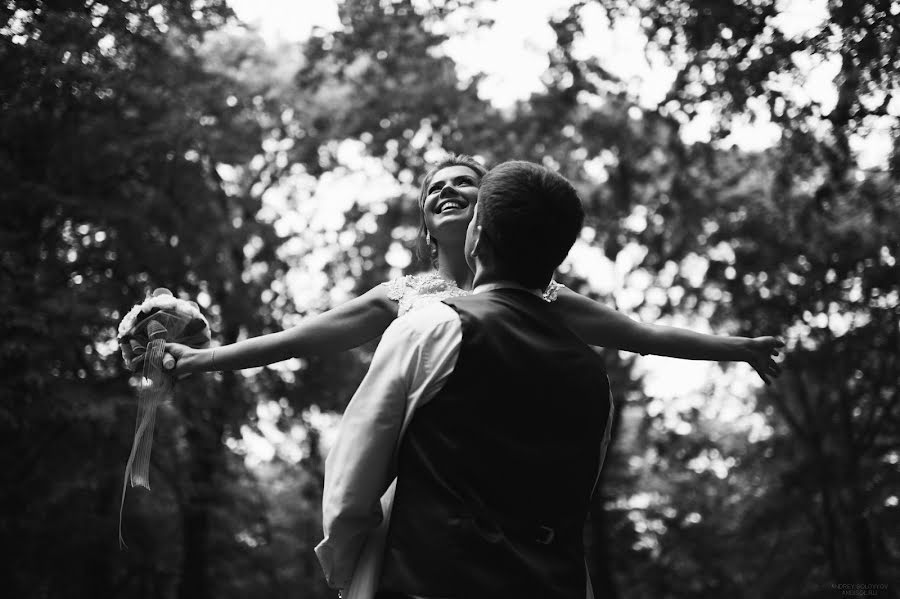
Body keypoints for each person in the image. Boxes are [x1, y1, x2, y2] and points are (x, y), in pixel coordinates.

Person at [127, 154, 783, 382]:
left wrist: (740, 346)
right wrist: (197, 359)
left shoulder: (542, 293)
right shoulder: (400, 295)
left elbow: (645, 335)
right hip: (422, 488)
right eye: (433, 187)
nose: (444, 190)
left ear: (489, 209)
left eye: (464, 183)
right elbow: (294, 340)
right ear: (424, 220)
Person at [317, 161, 613, 599]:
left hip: (428, 579)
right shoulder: (595, 378)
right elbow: (572, 507)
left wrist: (348, 567)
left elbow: (351, 486)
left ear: (476, 237)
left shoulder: (430, 327)